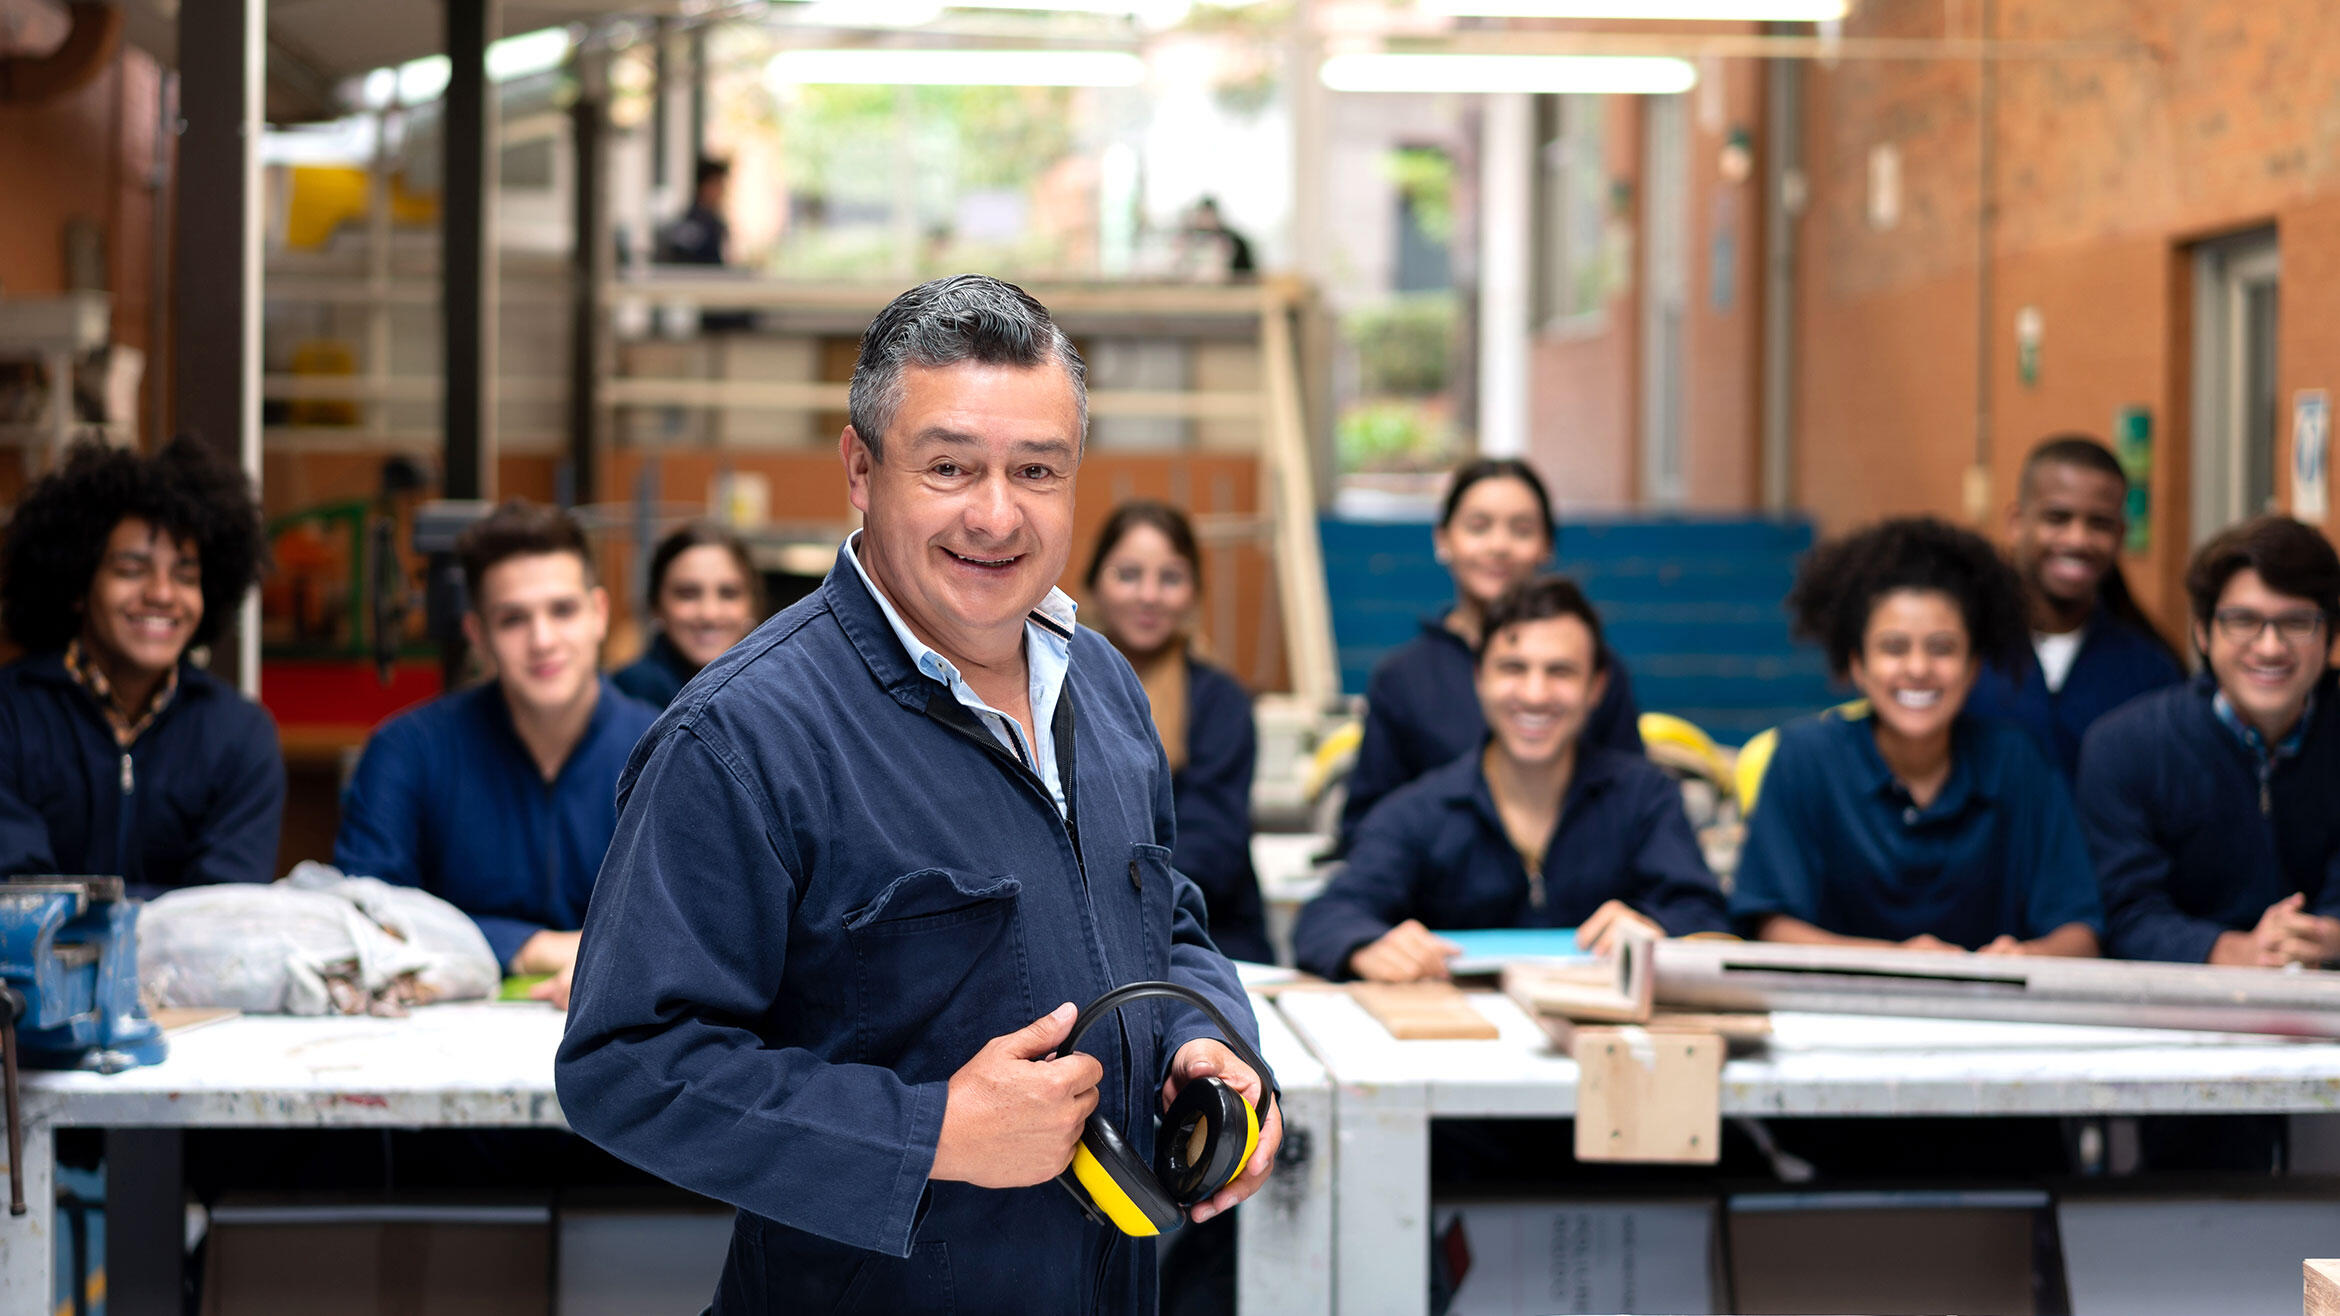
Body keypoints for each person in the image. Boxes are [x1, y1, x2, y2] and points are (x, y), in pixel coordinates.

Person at [555, 275, 1278, 1312]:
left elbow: (1166, 920)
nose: (996, 513)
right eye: (949, 467)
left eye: (1037, 469)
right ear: (860, 467)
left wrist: (1208, 1034)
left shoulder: (1104, 685)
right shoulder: (744, 735)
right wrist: (930, 1130)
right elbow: (626, 1065)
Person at [1296, 575, 1728, 982]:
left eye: (1560, 672)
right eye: (1513, 669)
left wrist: (1657, 927)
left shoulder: (1647, 798)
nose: (1535, 694)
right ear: (1479, 678)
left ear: (1596, 688)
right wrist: (1366, 945)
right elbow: (1327, 917)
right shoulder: (1417, 811)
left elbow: (1707, 916)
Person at [333, 500, 657, 1010]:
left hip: (630, 1040)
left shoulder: (668, 751)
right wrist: (530, 946)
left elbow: (715, 920)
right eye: (513, 620)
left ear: (599, 614)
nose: (543, 640)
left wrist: (621, 955)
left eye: (563, 610)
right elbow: (359, 916)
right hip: (435, 1045)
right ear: (478, 636)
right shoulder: (408, 751)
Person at [1731, 517, 2103, 956]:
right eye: (1893, 648)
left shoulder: (2016, 762)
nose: (1918, 668)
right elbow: (1771, 927)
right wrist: (1898, 964)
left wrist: (2019, 959)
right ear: (1857, 665)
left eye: (1942, 648)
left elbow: (2080, 933)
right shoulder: (1803, 758)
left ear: (1973, 668)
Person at [0, 437, 281, 897]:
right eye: (132, 569)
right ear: (77, 585)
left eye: (186, 576)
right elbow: (15, 903)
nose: (163, 594)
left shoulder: (240, 735)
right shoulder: (9, 716)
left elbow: (224, 915)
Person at [1339, 457, 1644, 846]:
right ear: (1443, 539)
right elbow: (1366, 828)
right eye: (1478, 527)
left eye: (1521, 529)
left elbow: (1634, 806)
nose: (1499, 546)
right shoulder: (1402, 678)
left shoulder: (1594, 669)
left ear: (1547, 546)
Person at [2081, 516, 2340, 966]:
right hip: (2177, 1009)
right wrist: (2239, 952)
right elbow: (2125, 914)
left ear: (2331, 635)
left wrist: (2326, 938)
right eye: (2244, 621)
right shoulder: (2124, 747)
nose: (2270, 647)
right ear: (2202, 631)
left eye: (2297, 622)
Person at [1085, 500, 1272, 963]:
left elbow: (1213, 849)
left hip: (1205, 942)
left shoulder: (1219, 701)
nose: (1149, 595)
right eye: (1128, 575)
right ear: (1093, 585)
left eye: (1170, 578)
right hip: (1090, 945)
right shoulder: (1057, 693)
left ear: (1193, 593)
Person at [1965, 435, 2184, 777]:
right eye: (2057, 518)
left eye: (2099, 524)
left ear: (2121, 535)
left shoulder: (2152, 673)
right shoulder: (1964, 653)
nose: (2078, 539)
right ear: (2016, 522)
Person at [612, 522, 764, 709]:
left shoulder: (772, 693)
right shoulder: (628, 696)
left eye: (728, 593)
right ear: (656, 605)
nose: (709, 613)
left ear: (752, 604)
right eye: (687, 594)